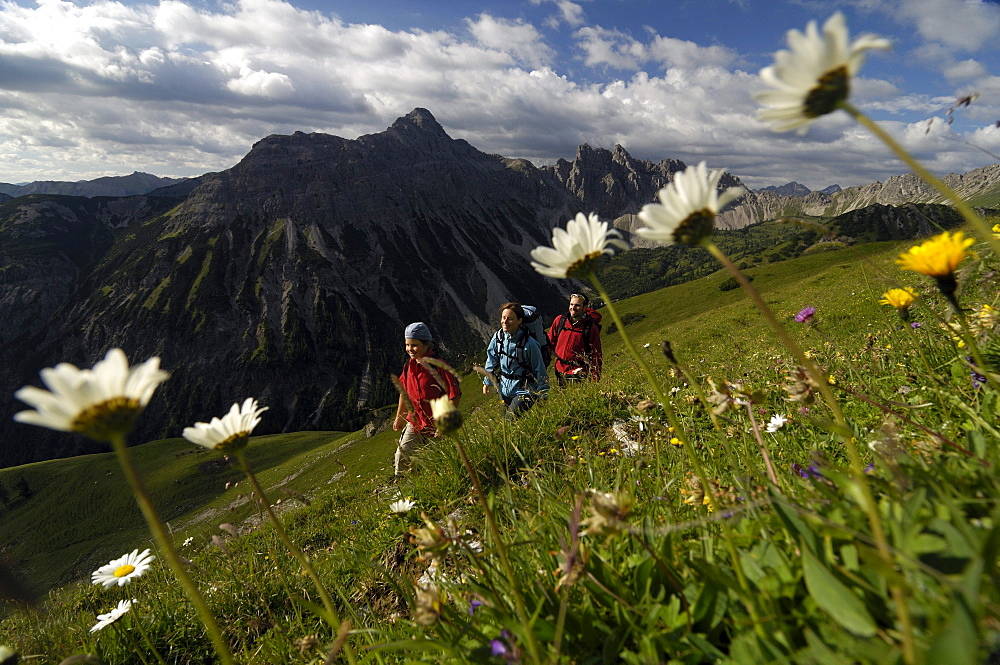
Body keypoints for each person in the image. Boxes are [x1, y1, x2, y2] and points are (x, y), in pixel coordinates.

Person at [392, 322, 461, 476]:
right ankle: (404, 487)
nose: (410, 349)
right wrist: (399, 417)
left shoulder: (439, 366)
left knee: (438, 463)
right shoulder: (409, 367)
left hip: (437, 425)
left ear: (426, 345)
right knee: (401, 456)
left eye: (414, 345)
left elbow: (454, 396)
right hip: (415, 423)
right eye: (407, 345)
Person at [483, 302, 549, 417]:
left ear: (519, 321)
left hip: (525, 390)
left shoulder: (530, 344)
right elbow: (491, 359)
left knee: (510, 420)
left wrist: (543, 393)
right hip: (503, 389)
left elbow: (540, 369)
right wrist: (487, 381)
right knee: (506, 424)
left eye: (510, 319)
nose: (505, 322)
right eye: (503, 318)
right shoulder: (498, 337)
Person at [548, 293, 603, 385]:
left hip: (579, 372)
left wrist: (595, 378)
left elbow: (596, 353)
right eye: (571, 304)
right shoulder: (560, 321)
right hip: (559, 370)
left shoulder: (590, 328)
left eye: (577, 305)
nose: (573, 308)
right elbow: (550, 342)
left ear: (585, 308)